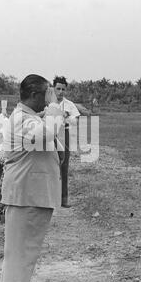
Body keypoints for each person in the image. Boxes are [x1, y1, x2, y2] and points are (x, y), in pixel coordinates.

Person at [0, 74, 66, 282]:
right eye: (47, 93)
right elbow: (46, 133)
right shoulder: (21, 118)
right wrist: (55, 106)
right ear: (35, 94)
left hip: (30, 196)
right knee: (20, 259)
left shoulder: (31, 117)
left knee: (23, 258)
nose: (49, 98)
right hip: (26, 197)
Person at [52, 76, 80, 208]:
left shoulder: (69, 105)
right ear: (53, 88)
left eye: (63, 89)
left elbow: (75, 120)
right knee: (50, 165)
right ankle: (50, 198)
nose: (60, 91)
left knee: (64, 166)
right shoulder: (48, 102)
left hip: (64, 133)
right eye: (58, 88)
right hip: (49, 134)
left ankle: (64, 198)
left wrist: (66, 116)